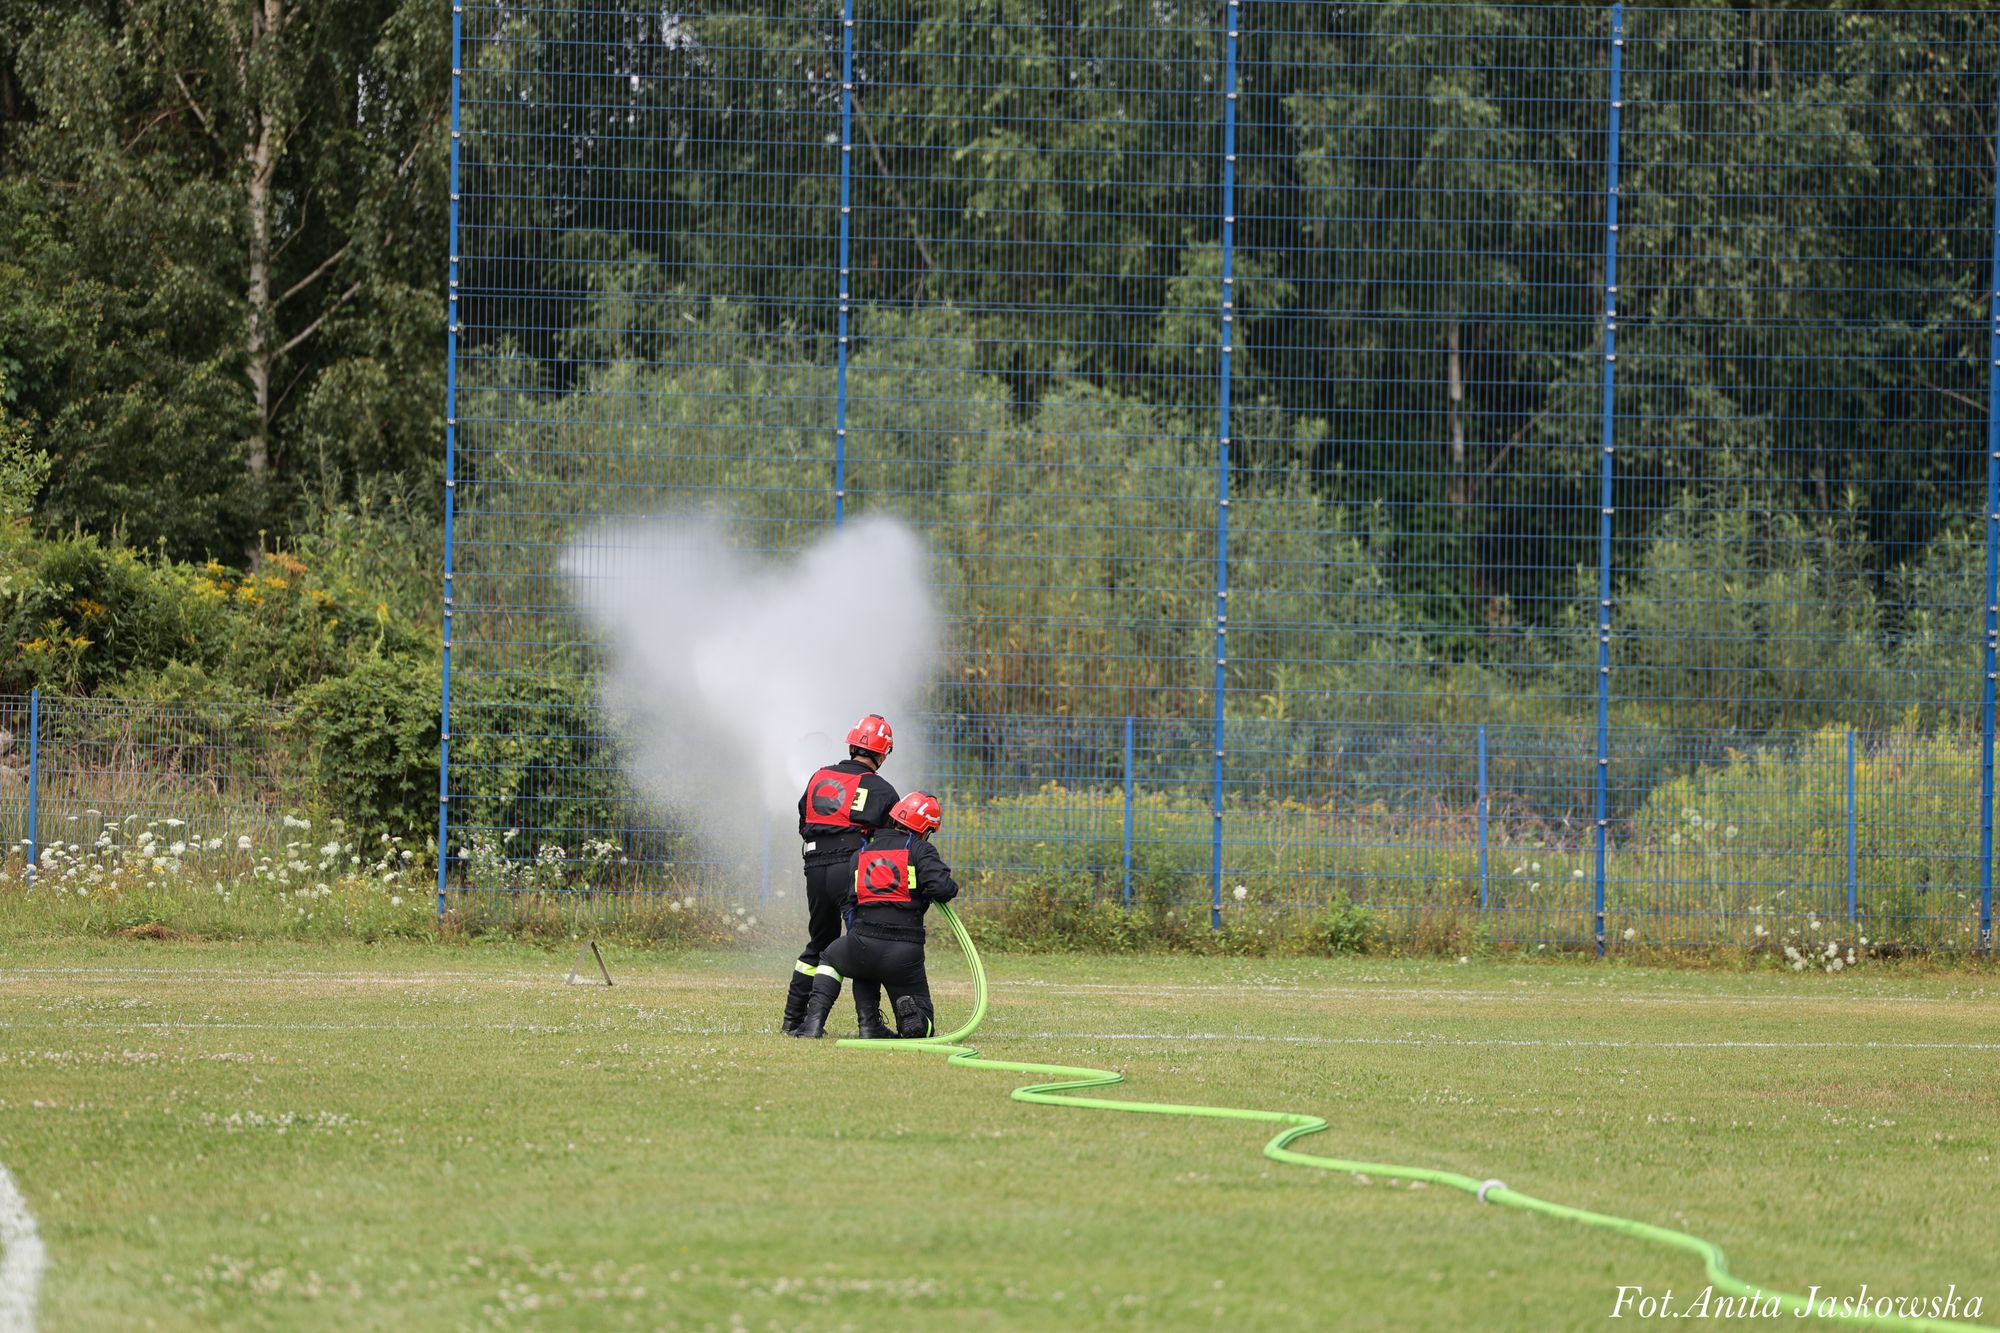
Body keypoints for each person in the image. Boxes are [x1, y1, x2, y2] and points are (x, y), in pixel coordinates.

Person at [793, 790, 957, 1040]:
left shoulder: (861, 854)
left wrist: (859, 936)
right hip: (904, 954)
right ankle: (913, 1018)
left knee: (830, 957)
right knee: (925, 1024)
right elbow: (942, 889)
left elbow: (851, 904)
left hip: (863, 944)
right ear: (925, 829)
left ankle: (818, 1023)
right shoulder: (920, 849)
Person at [782, 713, 900, 1037]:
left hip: (814, 867)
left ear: (851, 745)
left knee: (820, 943)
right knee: (863, 943)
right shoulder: (882, 789)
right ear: (882, 753)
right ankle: (869, 1024)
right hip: (849, 870)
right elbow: (890, 843)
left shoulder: (819, 776)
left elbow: (804, 820)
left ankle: (794, 1020)